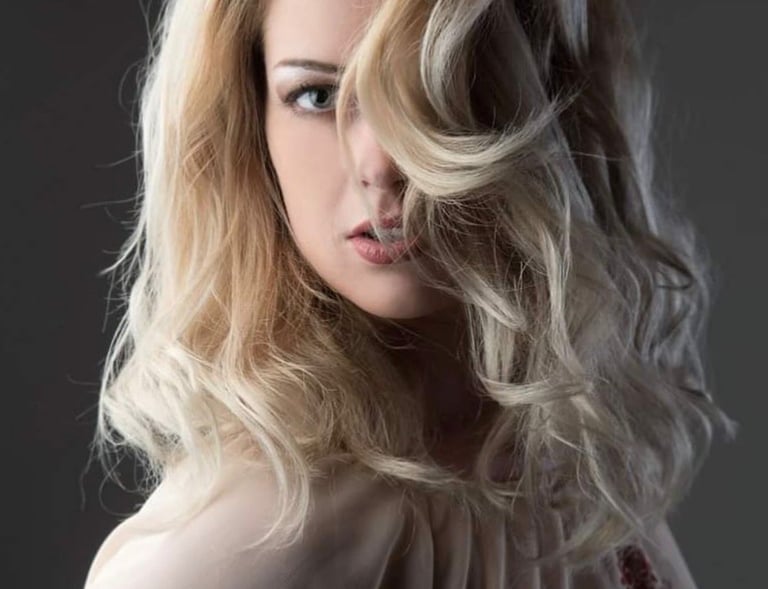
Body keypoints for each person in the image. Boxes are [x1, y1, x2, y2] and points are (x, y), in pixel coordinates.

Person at [83, 0, 737, 587]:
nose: (381, 165)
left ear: (544, 93)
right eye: (316, 95)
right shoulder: (258, 544)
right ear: (251, 119)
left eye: (439, 84)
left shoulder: (570, 462)